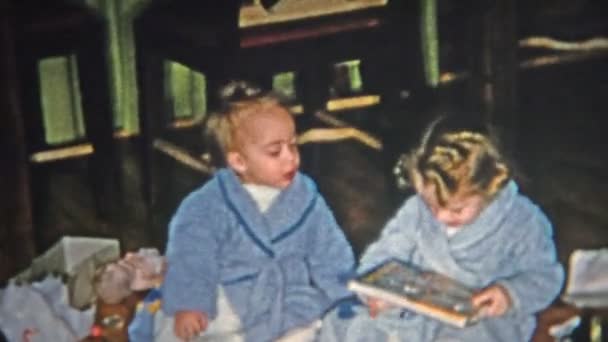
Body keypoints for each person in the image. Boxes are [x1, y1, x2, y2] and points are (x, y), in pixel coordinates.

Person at [319, 114, 565, 342]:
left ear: (490, 187)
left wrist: (510, 294)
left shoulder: (522, 221)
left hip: (479, 321)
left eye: (457, 210)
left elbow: (546, 277)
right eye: (430, 204)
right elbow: (384, 251)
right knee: (347, 325)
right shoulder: (416, 211)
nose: (440, 216)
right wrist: (378, 291)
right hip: (414, 312)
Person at [147, 80, 355, 342]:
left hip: (287, 299)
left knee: (318, 329)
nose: (291, 157)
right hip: (224, 298)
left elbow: (331, 250)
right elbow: (190, 256)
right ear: (238, 161)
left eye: (293, 145)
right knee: (175, 328)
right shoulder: (206, 206)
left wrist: (347, 291)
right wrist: (190, 303)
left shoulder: (305, 197)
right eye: (275, 151)